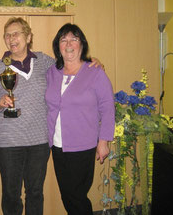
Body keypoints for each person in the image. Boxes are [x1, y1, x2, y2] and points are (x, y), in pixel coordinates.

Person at [0, 17, 102, 215]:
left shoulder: (45, 62)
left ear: (28, 37)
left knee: (35, 192)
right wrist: (0, 102)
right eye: (7, 35)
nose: (12, 38)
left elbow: (71, 63)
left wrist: (91, 61)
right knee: (11, 195)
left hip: (39, 140)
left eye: (16, 33)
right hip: (8, 142)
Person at [45, 23, 115, 215]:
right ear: (57, 46)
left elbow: (108, 108)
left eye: (74, 39)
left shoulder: (95, 72)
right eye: (63, 39)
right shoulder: (52, 72)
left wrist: (104, 142)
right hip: (57, 145)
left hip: (83, 145)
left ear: (82, 45)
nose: (69, 44)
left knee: (76, 195)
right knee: (67, 195)